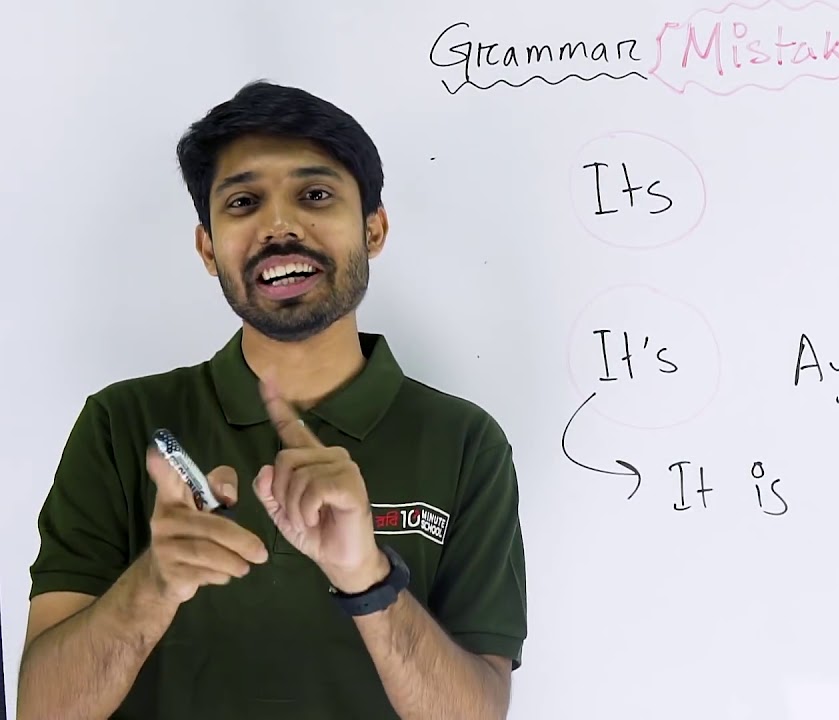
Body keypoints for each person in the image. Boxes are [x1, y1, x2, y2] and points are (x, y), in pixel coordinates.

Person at [16, 80, 527, 720]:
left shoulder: (465, 441)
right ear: (208, 249)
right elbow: (40, 710)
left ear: (374, 229)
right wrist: (152, 586)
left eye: (315, 195)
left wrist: (367, 579)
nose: (279, 227)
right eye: (243, 202)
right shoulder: (121, 424)